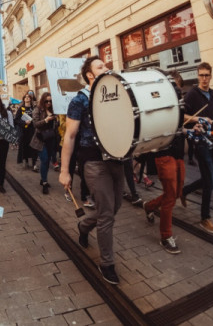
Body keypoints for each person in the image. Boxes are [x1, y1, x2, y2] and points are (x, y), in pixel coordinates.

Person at [59, 56, 124, 285]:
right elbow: (70, 135)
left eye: (106, 66)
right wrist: (64, 170)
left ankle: (84, 225)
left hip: (116, 158)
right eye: (101, 67)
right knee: (107, 213)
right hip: (93, 162)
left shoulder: (114, 95)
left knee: (115, 206)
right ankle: (107, 263)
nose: (106, 68)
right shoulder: (80, 100)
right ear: (90, 75)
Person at [143, 70, 189, 254]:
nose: (177, 92)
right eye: (174, 88)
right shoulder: (159, 104)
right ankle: (165, 236)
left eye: (178, 88)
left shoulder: (179, 104)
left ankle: (149, 206)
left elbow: (179, 127)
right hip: (164, 154)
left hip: (178, 154)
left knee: (176, 193)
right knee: (170, 197)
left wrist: (188, 129)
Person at [181, 62, 213, 234]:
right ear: (197, 76)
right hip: (199, 141)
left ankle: (184, 191)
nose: (204, 78)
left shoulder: (212, 93)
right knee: (210, 181)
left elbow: (212, 114)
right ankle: (205, 217)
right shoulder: (192, 94)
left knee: (209, 178)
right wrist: (199, 120)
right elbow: (182, 117)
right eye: (201, 75)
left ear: (211, 76)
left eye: (207, 75)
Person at [30, 92, 59, 195]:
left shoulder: (54, 110)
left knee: (47, 162)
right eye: (46, 101)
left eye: (50, 101)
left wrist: (56, 119)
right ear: (43, 100)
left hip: (51, 139)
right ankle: (45, 183)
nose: (48, 103)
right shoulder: (37, 109)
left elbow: (56, 125)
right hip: (40, 139)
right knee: (45, 159)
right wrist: (46, 120)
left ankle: (43, 178)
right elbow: (36, 124)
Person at [14, 94, 37, 169]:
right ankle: (26, 161)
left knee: (33, 147)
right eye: (25, 97)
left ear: (30, 99)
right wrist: (24, 122)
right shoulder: (21, 108)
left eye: (28, 97)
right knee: (25, 147)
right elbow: (16, 120)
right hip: (24, 131)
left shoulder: (34, 108)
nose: (27, 98)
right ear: (23, 99)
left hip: (33, 130)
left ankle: (34, 164)